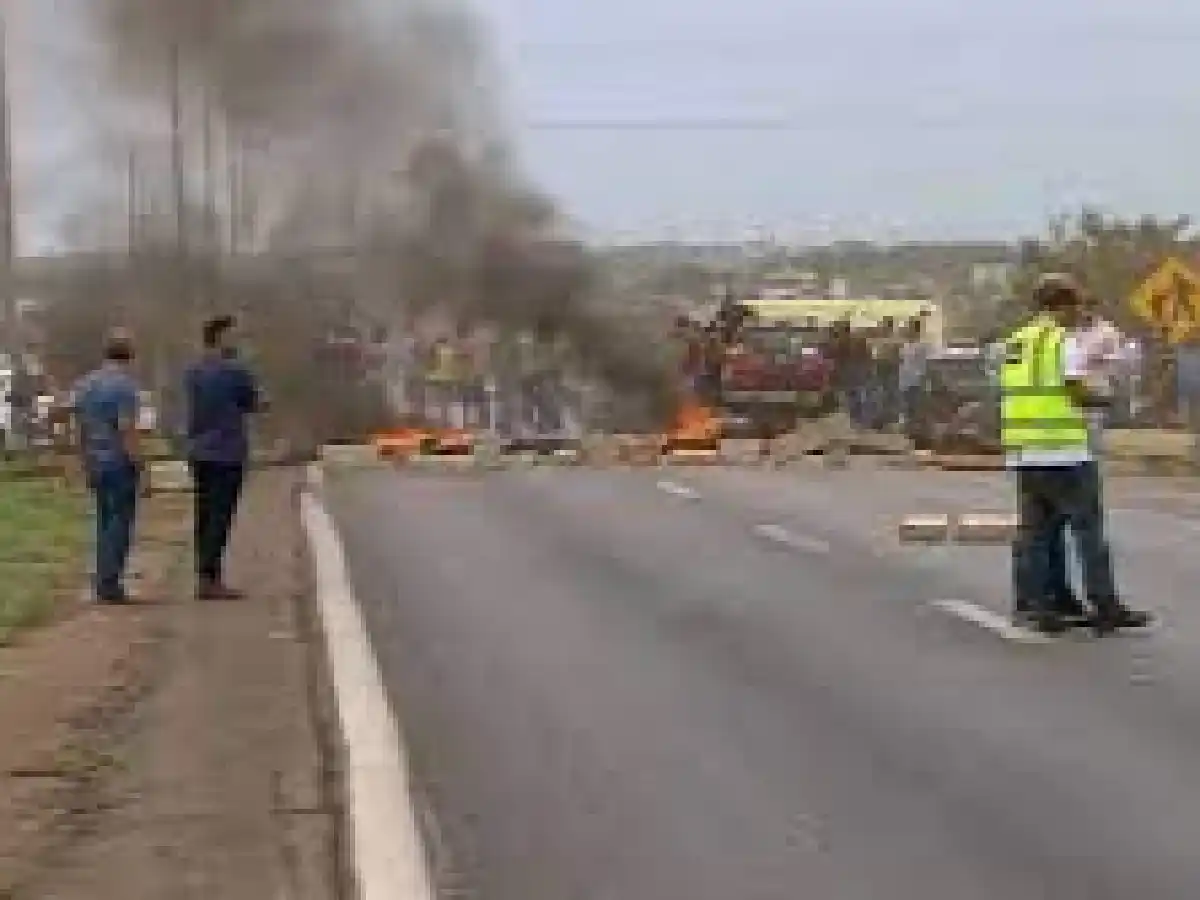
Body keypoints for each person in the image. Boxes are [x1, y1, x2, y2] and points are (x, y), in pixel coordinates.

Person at [1000, 275, 1152, 634]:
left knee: (1037, 534)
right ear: (1062, 305)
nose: (1079, 313)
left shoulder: (1016, 342)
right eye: (1076, 306)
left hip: (1025, 451)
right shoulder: (1062, 342)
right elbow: (1074, 390)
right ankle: (1106, 606)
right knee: (1088, 532)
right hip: (1064, 450)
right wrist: (1106, 400)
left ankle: (1040, 607)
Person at [184, 315, 262, 599]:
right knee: (220, 515)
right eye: (234, 335)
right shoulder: (236, 372)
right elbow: (252, 403)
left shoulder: (193, 371)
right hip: (227, 452)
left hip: (199, 449)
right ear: (222, 337)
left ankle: (204, 573)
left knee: (204, 513)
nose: (238, 340)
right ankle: (210, 577)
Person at [73, 330, 143, 604]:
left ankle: (101, 578)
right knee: (119, 522)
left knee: (102, 521)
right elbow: (126, 428)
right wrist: (139, 462)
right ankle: (110, 582)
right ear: (130, 356)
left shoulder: (86, 384)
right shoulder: (125, 387)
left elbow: (80, 426)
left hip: (95, 459)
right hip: (118, 461)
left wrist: (84, 460)